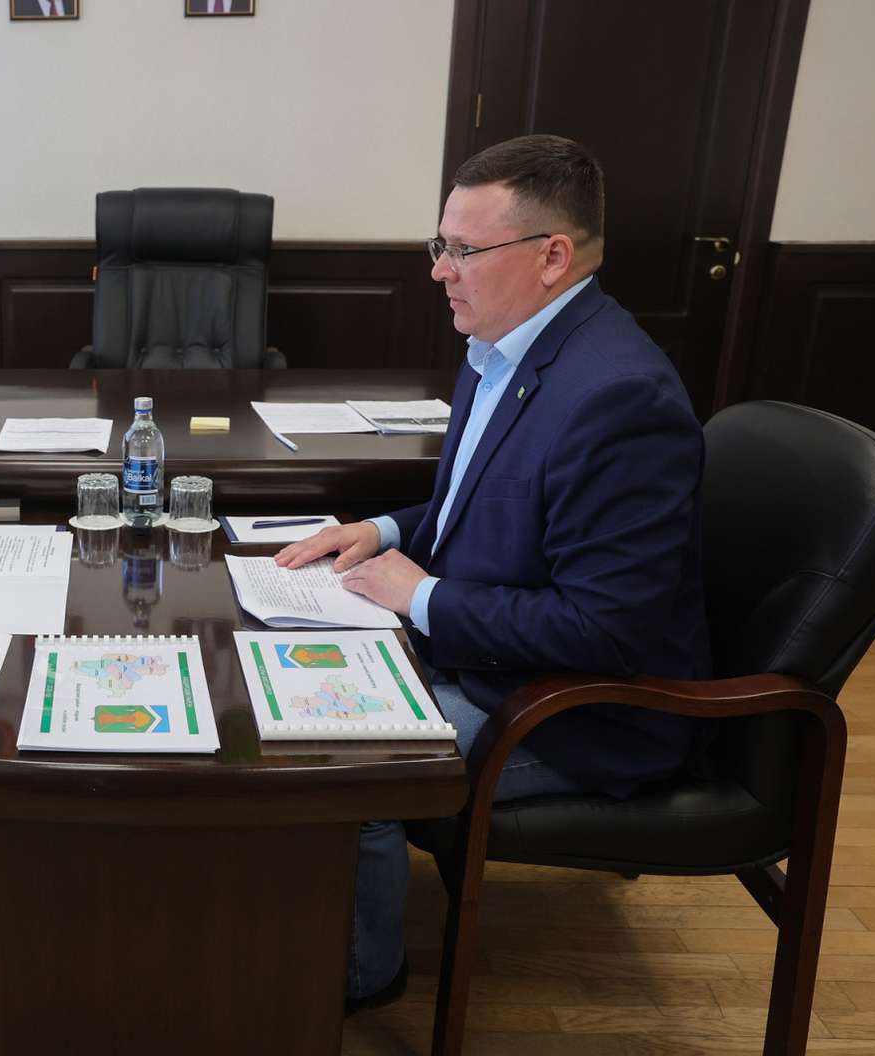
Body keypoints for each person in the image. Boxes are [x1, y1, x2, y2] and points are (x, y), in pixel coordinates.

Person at [275, 134, 710, 1012]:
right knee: (284, 684)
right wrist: (379, 529)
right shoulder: (504, 348)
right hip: (493, 659)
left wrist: (421, 595)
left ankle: (358, 979)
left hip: (573, 710)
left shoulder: (620, 398)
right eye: (440, 246)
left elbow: (604, 630)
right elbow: (475, 502)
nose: (441, 271)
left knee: (342, 769)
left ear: (552, 257)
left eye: (465, 251)